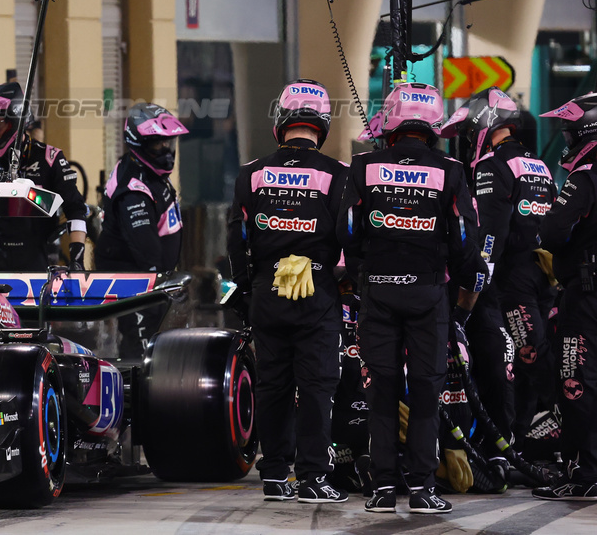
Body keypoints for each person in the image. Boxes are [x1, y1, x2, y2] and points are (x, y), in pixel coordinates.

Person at [337, 82, 485, 514]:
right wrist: (461, 296)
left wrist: (362, 265)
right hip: (428, 295)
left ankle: (383, 489)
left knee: (382, 390)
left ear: (393, 118)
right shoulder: (452, 168)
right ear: (433, 121)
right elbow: (463, 240)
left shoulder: (363, 164)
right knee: (425, 391)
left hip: (378, 291)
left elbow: (346, 228)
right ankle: (421, 489)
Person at [227, 80, 349, 503]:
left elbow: (235, 236)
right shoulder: (339, 175)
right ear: (322, 124)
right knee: (317, 385)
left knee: (273, 385)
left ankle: (275, 475)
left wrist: (246, 288)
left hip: (266, 287)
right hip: (317, 290)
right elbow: (349, 240)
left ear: (282, 121)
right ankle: (314, 476)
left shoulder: (251, 173)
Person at [439, 88, 554, 451]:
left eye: (470, 133)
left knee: (527, 360)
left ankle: (527, 442)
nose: (468, 140)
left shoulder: (491, 166)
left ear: (483, 126)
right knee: (530, 360)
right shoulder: (537, 164)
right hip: (543, 272)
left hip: (509, 279)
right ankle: (526, 438)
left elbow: (492, 231)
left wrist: (478, 277)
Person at [533, 93, 597, 500]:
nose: (566, 141)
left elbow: (554, 230)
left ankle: (586, 473)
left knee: (578, 382)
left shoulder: (586, 174)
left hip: (587, 294)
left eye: (570, 133)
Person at [0, 82, 87, 272]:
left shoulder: (50, 159)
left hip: (38, 260)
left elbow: (76, 209)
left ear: (16, 121)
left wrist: (76, 260)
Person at [96, 102, 189, 274]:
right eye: (157, 145)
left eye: (168, 143)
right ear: (139, 144)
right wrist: (160, 283)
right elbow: (147, 252)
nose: (166, 151)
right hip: (134, 284)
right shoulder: (134, 192)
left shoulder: (147, 171)